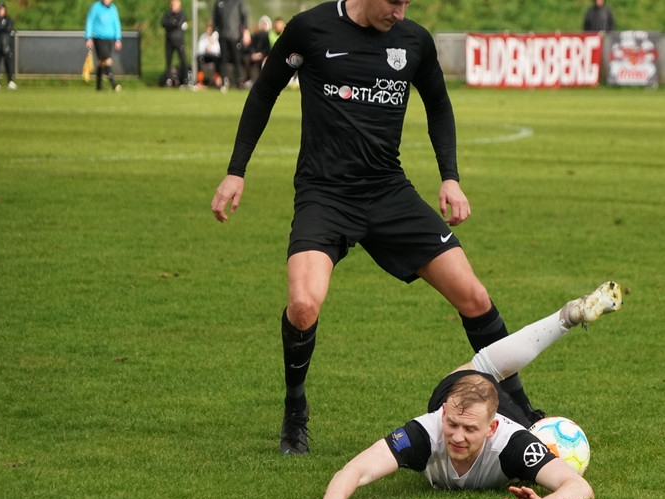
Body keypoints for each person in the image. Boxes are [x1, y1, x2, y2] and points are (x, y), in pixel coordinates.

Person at [211, 0, 542, 456]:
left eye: (407, 2)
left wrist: (450, 177)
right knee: (303, 306)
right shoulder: (309, 29)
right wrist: (236, 170)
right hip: (325, 195)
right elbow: (264, 91)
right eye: (394, 1)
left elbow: (438, 105)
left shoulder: (414, 40)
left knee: (475, 297)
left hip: (389, 192)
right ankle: (295, 409)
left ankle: (524, 410)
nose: (400, 12)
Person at [303, 281, 622, 499]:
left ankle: (564, 322)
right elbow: (357, 468)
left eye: (469, 429)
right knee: (479, 367)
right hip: (452, 387)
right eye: (452, 424)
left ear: (491, 428)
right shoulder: (425, 432)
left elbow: (579, 487)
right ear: (443, 414)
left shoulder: (514, 443)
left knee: (507, 398)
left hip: (500, 411)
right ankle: (566, 317)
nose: (456, 436)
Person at [85, 0, 122, 92]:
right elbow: (90, 21)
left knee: (101, 62)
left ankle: (98, 87)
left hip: (110, 39)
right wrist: (88, 37)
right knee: (107, 60)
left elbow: (116, 23)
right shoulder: (95, 7)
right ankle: (113, 85)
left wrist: (118, 38)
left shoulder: (113, 9)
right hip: (99, 38)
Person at [212, 0, 250, 91]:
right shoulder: (219, 3)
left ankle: (239, 81)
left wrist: (245, 31)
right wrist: (214, 30)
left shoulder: (238, 2)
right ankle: (224, 81)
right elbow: (215, 18)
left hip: (235, 35)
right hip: (222, 35)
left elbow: (244, 16)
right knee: (223, 59)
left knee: (237, 59)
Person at [160, 0, 189, 85]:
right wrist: (172, 23)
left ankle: (186, 79)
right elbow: (163, 23)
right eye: (172, 4)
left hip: (179, 40)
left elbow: (179, 24)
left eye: (174, 4)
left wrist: (172, 23)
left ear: (179, 4)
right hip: (169, 40)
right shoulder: (168, 13)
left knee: (182, 60)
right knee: (168, 60)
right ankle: (168, 79)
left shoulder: (182, 14)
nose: (173, 6)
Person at [243, 15, 271, 86]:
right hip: (255, 54)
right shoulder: (256, 35)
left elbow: (268, 48)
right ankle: (248, 79)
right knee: (246, 59)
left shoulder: (269, 35)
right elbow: (251, 46)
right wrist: (253, 54)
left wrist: (261, 54)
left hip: (264, 55)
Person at [196, 21, 221, 86]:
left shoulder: (215, 37)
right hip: (205, 56)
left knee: (218, 60)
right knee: (198, 59)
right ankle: (200, 80)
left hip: (213, 56)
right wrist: (206, 49)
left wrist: (211, 48)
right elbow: (199, 50)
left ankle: (217, 79)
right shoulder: (203, 37)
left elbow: (217, 50)